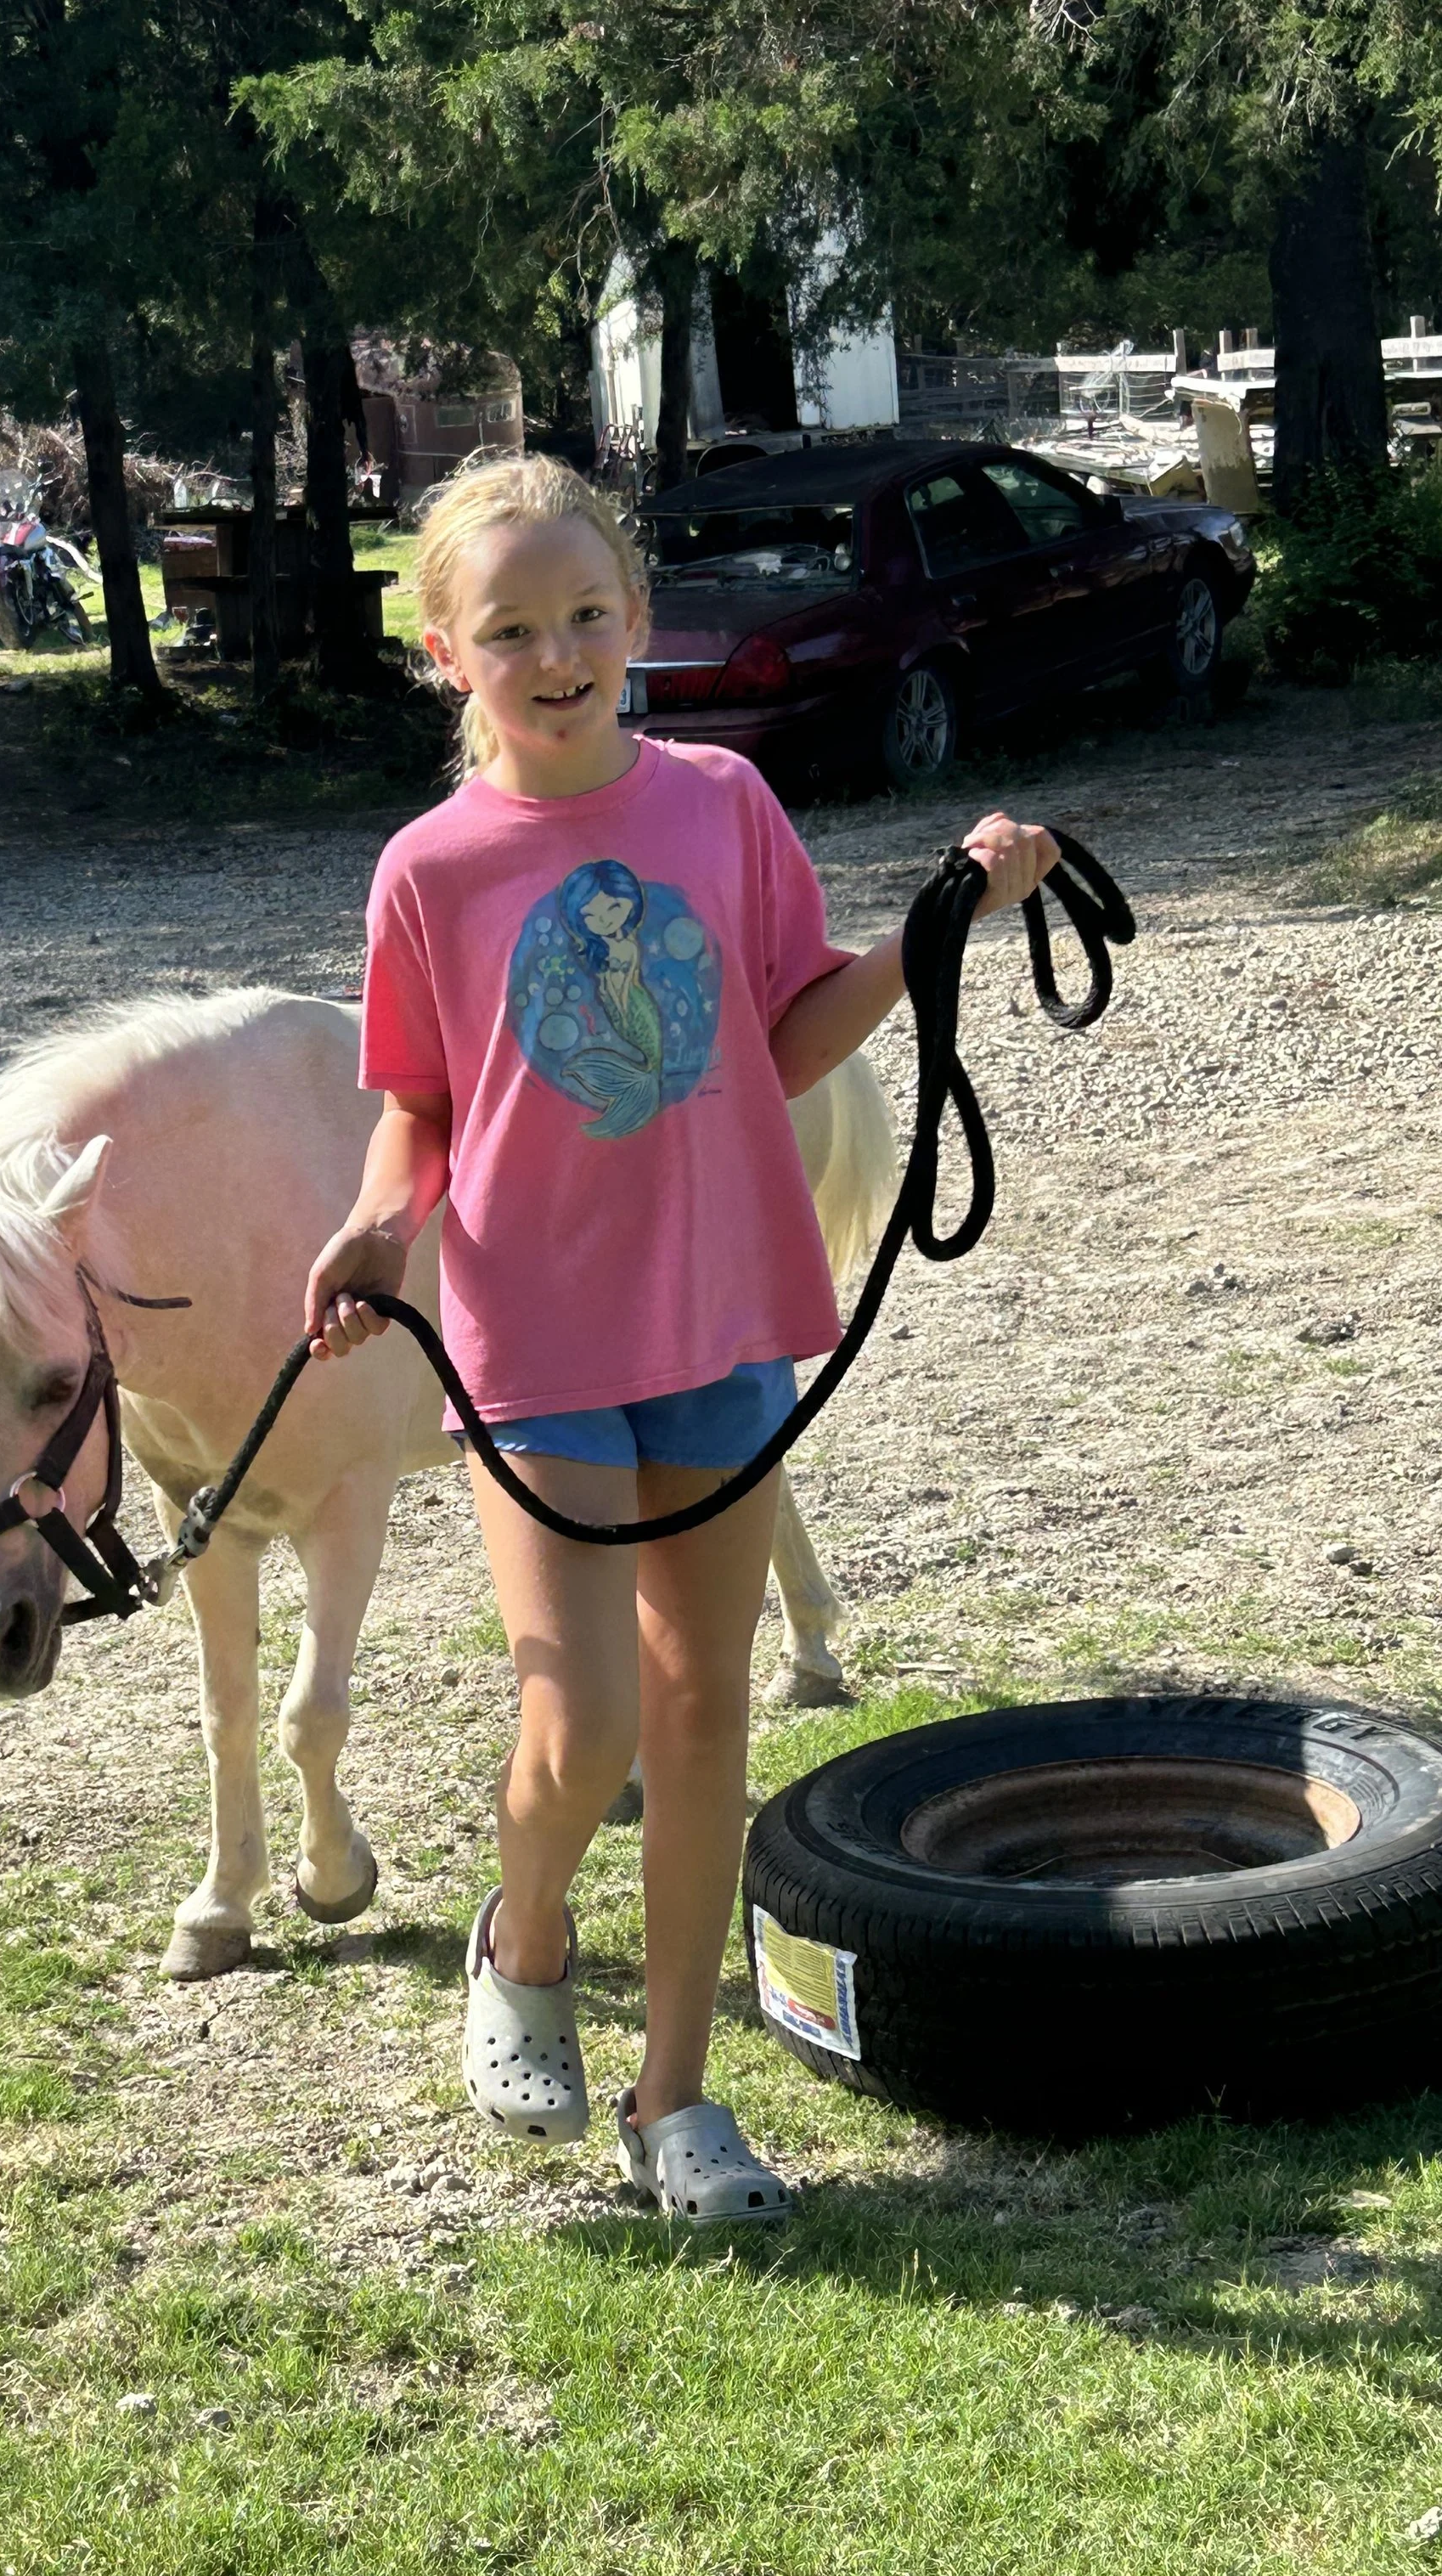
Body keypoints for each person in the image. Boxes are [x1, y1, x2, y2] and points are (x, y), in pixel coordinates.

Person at [302, 448, 1056, 2223]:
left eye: (583, 616)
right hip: (532, 1332)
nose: (553, 653)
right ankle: (528, 1928)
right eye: (510, 628)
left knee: (702, 1704)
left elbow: (784, 1032)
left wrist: (937, 918)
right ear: (444, 652)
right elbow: (415, 1103)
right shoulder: (426, 870)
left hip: (720, 1316)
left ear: (634, 623)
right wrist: (371, 1218)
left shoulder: (718, 803)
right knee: (578, 1718)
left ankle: (674, 2101)